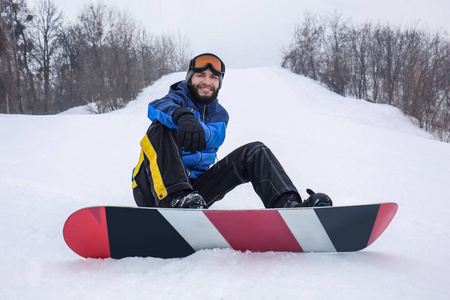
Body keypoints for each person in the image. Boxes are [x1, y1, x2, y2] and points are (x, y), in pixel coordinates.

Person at [131, 53, 333, 209]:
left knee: (255, 151)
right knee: (161, 126)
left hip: (194, 194)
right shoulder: (175, 99)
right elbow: (156, 107)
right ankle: (175, 199)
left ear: (219, 83)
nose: (207, 81)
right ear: (189, 80)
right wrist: (181, 115)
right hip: (152, 189)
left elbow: (211, 142)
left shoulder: (220, 116)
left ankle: (288, 206)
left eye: (213, 77)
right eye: (200, 75)